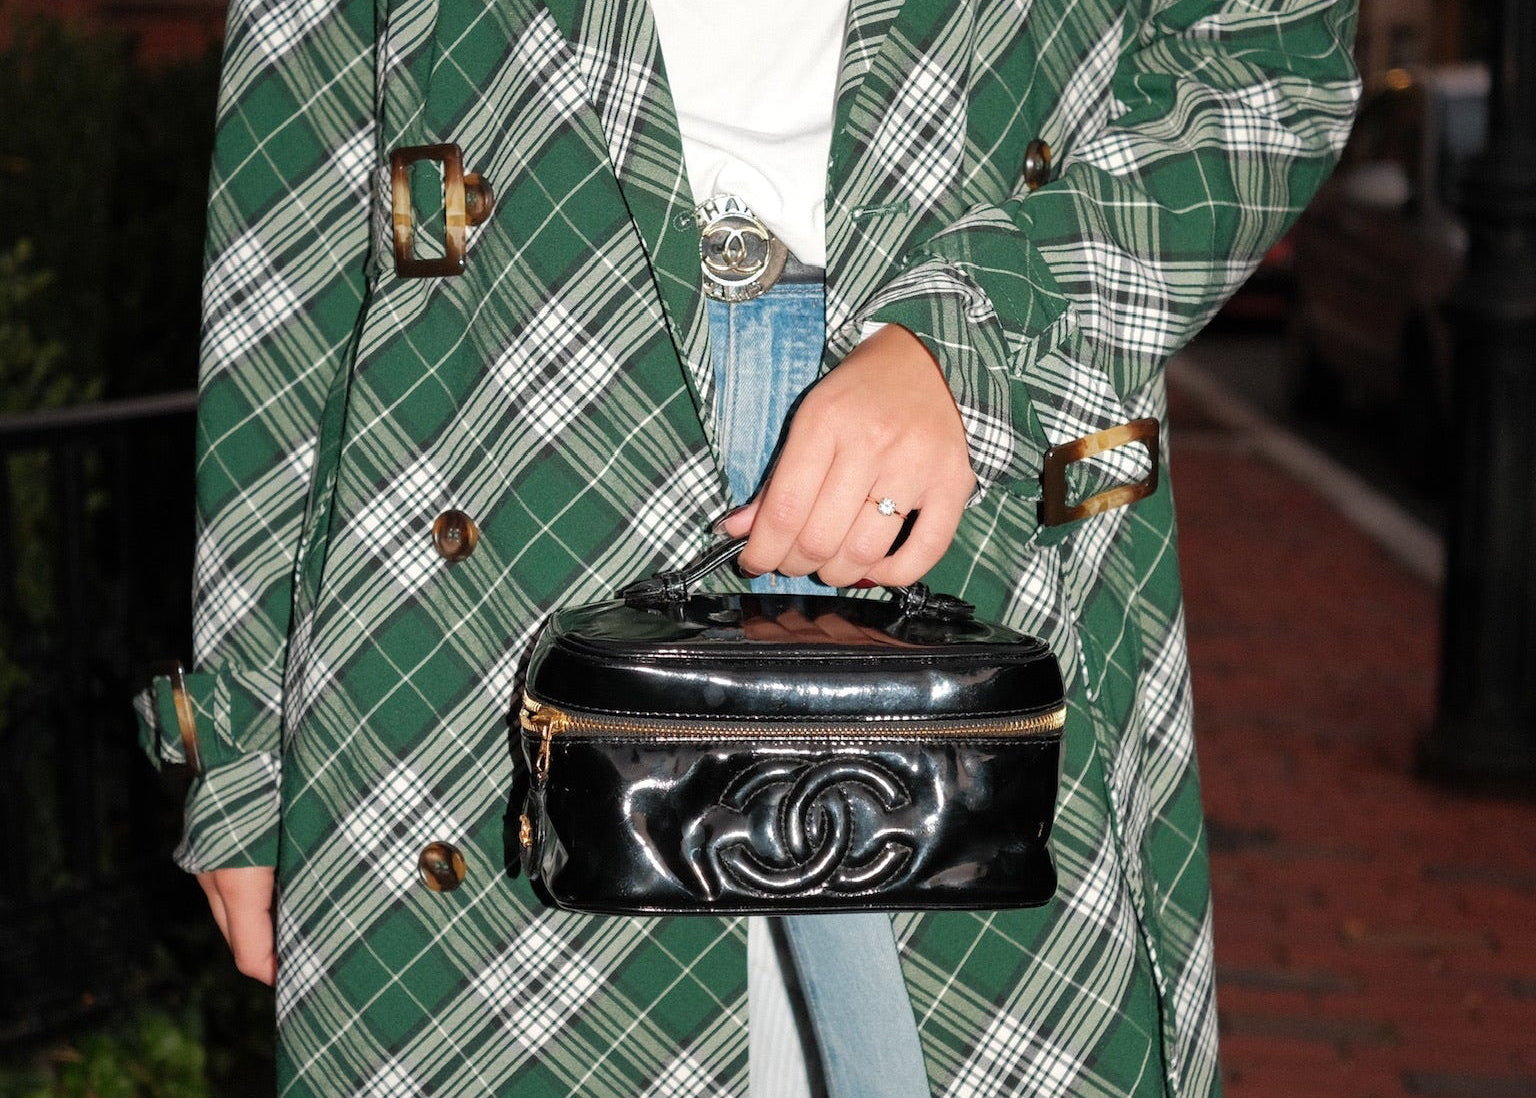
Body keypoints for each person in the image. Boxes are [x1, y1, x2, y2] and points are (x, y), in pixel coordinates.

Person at [136, 0, 1359, 1094]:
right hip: (508, 452)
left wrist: (981, 334)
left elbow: (1274, 49)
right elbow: (284, 240)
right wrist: (242, 750)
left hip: (944, 449)